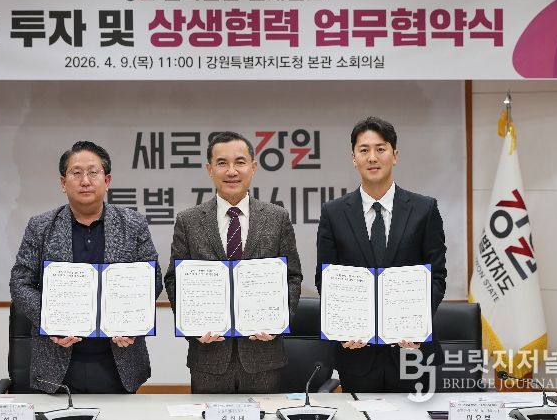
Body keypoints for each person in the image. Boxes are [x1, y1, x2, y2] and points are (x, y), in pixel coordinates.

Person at [10, 140, 162, 394]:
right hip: (56, 359)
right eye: (76, 173)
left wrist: (132, 323)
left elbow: (152, 279)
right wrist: (51, 320)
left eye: (93, 172)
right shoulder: (41, 227)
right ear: (63, 182)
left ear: (107, 180)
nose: (85, 181)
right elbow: (20, 282)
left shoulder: (133, 224)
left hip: (118, 359)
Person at [164, 131, 302, 393]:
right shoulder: (188, 220)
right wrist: (191, 325)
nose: (231, 171)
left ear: (253, 167)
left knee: (264, 413)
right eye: (222, 163)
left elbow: (292, 276)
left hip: (264, 356)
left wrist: (279, 320)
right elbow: (174, 279)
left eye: (239, 162)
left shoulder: (277, 218)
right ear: (209, 169)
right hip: (208, 356)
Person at [315, 117, 447, 393]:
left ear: (394, 155)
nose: (372, 157)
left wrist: (417, 324)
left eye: (380, 149)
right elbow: (325, 279)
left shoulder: (424, 209)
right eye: (364, 150)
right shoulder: (333, 213)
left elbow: (437, 276)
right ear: (354, 158)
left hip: (413, 353)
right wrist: (343, 326)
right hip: (356, 354)